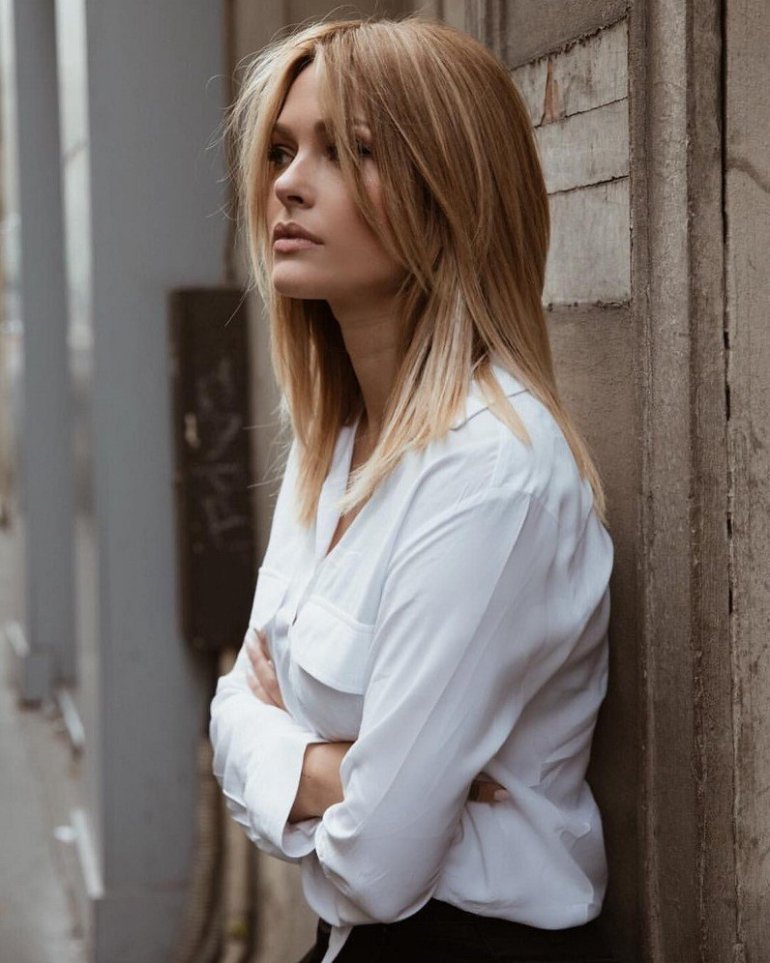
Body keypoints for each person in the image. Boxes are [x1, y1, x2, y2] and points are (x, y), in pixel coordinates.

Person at [209, 14, 616, 963]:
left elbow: (377, 866)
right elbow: (229, 711)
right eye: (282, 150)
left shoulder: (490, 473)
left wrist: (290, 750)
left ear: (450, 192)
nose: (287, 184)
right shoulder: (333, 443)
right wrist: (339, 772)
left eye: (349, 150)